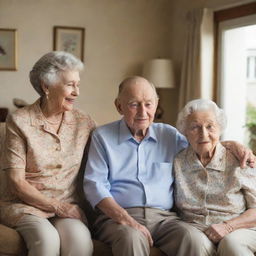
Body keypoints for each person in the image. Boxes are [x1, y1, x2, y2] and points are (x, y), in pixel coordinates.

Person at [83, 76, 255, 256]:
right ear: (119, 106)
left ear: (156, 104)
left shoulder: (169, 135)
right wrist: (126, 220)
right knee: (131, 237)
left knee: (192, 238)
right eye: (134, 104)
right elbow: (94, 185)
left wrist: (233, 145)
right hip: (118, 218)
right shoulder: (102, 137)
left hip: (164, 219)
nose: (143, 112)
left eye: (148, 104)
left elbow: (202, 143)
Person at [0, 51, 95, 256]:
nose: (77, 92)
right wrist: (58, 206)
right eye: (70, 85)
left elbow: (108, 148)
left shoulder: (83, 121)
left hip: (67, 204)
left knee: (81, 241)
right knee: (47, 240)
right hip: (25, 205)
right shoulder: (20, 121)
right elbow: (15, 182)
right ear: (46, 86)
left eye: (78, 85)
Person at [174, 98, 256, 256]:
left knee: (230, 243)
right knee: (195, 243)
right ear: (185, 132)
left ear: (220, 128)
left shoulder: (240, 160)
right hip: (195, 228)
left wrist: (227, 226)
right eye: (195, 127)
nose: (203, 134)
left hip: (240, 227)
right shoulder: (178, 162)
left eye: (210, 126)